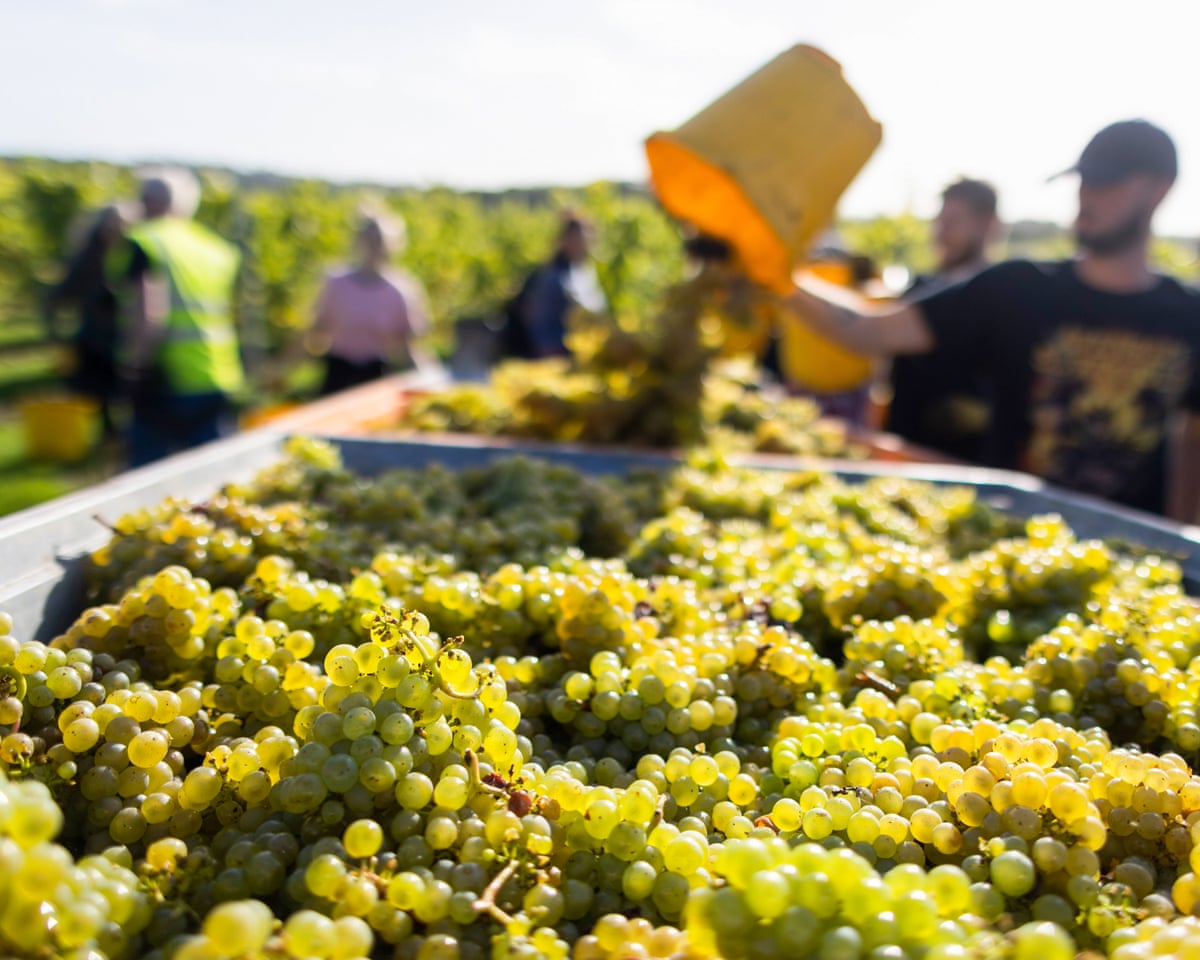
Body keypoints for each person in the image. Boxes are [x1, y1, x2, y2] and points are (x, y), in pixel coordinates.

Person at [782, 120, 1200, 521]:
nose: (1088, 196)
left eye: (1107, 183)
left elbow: (1191, 447)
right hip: (1011, 541)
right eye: (1084, 182)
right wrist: (776, 275)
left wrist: (1185, 544)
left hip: (1133, 553)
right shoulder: (1018, 289)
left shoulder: (1189, 316)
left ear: (1157, 190)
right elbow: (866, 330)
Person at [119, 167, 244, 467]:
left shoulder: (144, 240)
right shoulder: (215, 247)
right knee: (212, 476)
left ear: (147, 200)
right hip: (217, 371)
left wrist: (132, 369)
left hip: (166, 377)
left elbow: (150, 317)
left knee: (147, 481)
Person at [886, 178, 1000, 458]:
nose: (941, 232)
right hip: (902, 454)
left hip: (959, 467)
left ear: (987, 225)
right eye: (939, 221)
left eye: (953, 222)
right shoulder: (920, 290)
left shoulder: (1001, 300)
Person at [306, 210, 433, 395]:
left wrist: (429, 377)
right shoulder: (336, 283)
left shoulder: (400, 290)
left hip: (376, 376)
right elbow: (316, 331)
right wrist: (281, 368)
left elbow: (409, 346)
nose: (375, 247)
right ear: (358, 241)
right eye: (369, 240)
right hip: (338, 374)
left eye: (379, 241)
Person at [43, 204, 127, 440]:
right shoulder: (89, 257)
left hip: (124, 333)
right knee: (98, 388)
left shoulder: (133, 253)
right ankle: (109, 432)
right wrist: (55, 332)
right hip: (97, 334)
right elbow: (60, 294)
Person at [512, 214, 607, 358]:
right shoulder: (552, 276)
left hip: (582, 349)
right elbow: (539, 323)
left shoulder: (584, 269)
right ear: (563, 240)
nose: (581, 244)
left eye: (583, 239)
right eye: (575, 239)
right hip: (555, 351)